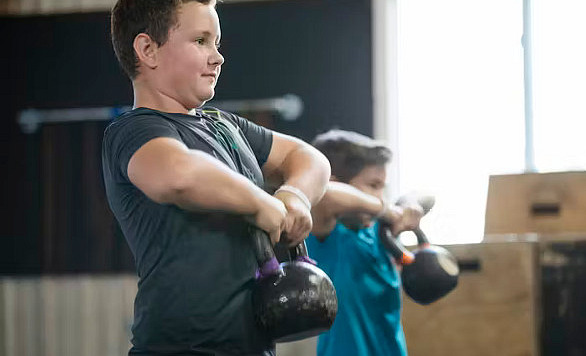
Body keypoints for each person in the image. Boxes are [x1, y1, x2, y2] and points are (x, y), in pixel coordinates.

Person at [103, 1, 330, 355]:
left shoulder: (224, 125)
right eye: (200, 41)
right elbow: (178, 175)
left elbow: (309, 158)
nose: (218, 57)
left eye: (217, 43)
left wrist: (296, 196)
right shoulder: (134, 131)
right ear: (148, 50)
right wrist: (261, 203)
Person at [305, 129, 424, 356]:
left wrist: (409, 206)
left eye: (383, 187)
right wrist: (386, 209)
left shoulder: (380, 231)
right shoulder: (327, 233)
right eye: (373, 185)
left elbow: (425, 196)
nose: (380, 197)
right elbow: (325, 194)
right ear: (337, 182)